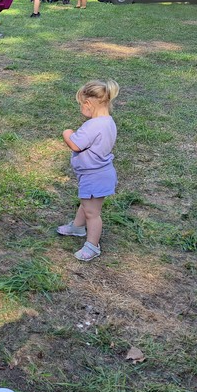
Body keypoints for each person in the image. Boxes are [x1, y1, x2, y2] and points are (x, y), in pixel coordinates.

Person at [59, 80, 120, 262]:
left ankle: (93, 246)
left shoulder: (93, 125)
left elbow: (75, 145)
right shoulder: (108, 122)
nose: (81, 108)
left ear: (88, 103)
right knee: (87, 204)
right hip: (99, 173)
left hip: (94, 175)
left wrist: (67, 133)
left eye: (81, 104)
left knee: (93, 213)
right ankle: (78, 227)